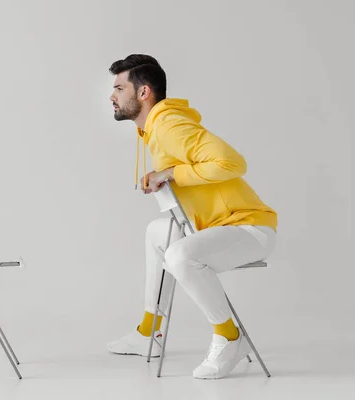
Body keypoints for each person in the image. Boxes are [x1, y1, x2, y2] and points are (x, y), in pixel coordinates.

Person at [105, 54, 278, 379]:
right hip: (220, 226)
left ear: (143, 93)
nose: (112, 96)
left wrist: (172, 173)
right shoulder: (154, 129)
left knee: (180, 254)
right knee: (158, 232)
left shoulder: (168, 125)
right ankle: (149, 332)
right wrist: (164, 175)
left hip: (250, 227)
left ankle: (230, 337)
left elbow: (233, 163)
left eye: (119, 88)